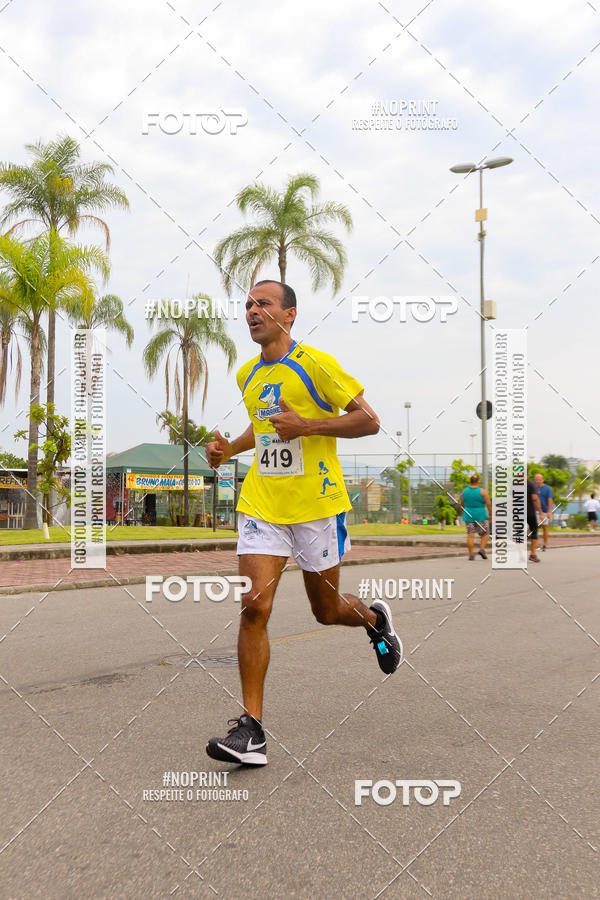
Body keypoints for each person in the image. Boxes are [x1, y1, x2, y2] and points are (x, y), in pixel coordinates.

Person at [204, 280, 402, 767]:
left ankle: (375, 621)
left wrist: (309, 426)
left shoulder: (317, 364)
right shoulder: (247, 373)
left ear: (289, 314)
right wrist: (228, 449)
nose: (252, 311)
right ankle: (251, 731)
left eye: (263, 304)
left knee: (327, 611)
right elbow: (263, 429)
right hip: (263, 505)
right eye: (248, 305)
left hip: (316, 507)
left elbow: (369, 420)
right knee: (254, 606)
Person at [461, 474, 491, 559]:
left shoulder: (465, 491)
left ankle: (471, 555)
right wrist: (491, 514)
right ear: (478, 481)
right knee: (485, 533)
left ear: (470, 481)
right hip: (481, 516)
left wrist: (464, 511)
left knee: (470, 535)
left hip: (468, 516)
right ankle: (482, 549)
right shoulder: (483, 492)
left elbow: (462, 503)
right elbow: (489, 504)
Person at [534, 473, 554, 551]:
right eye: (536, 480)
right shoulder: (534, 488)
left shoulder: (547, 488)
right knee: (534, 528)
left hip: (545, 511)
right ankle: (536, 545)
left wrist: (549, 511)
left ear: (542, 480)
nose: (538, 481)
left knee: (545, 527)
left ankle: (545, 545)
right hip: (535, 511)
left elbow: (550, 500)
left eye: (539, 480)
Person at [527, 475, 543, 562]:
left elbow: (510, 499)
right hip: (530, 512)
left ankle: (520, 556)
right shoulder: (531, 484)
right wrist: (540, 512)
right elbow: (535, 498)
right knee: (534, 531)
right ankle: (533, 554)